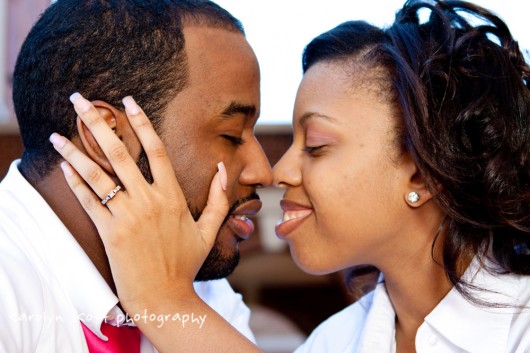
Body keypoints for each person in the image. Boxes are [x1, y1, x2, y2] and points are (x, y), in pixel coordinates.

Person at [53, 0, 530, 352]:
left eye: (317, 146)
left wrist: (164, 299)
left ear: (425, 174)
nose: (276, 172)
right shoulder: (336, 342)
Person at [0, 0, 273, 352]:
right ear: (106, 137)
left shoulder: (191, 280)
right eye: (232, 135)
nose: (263, 171)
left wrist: (167, 301)